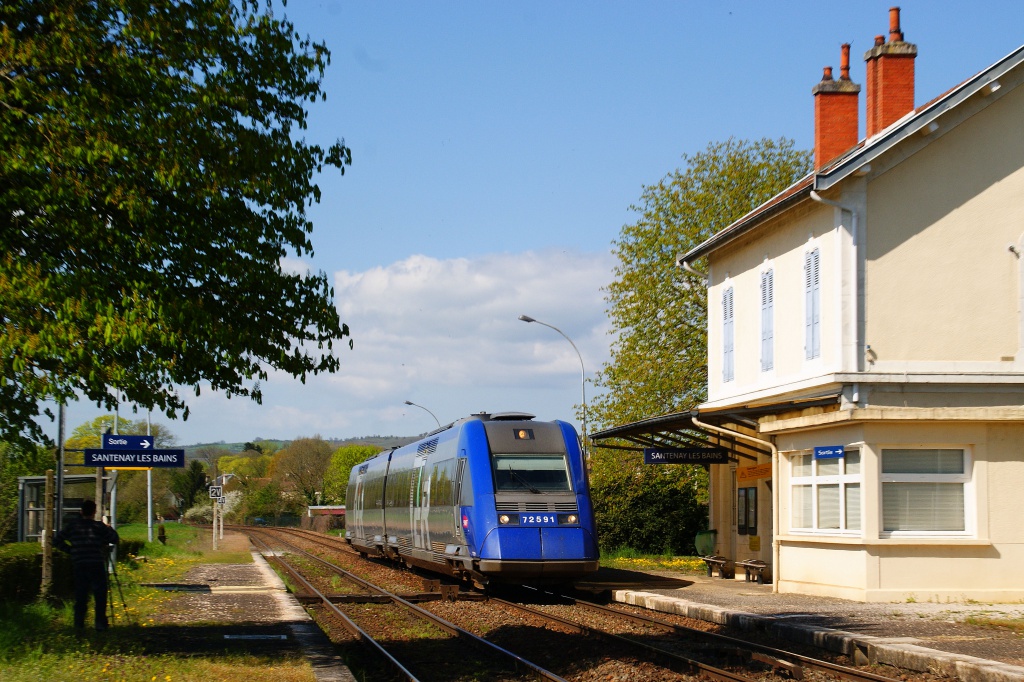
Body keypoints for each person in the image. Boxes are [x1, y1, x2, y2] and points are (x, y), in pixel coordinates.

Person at [54, 499, 119, 630]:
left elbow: (56, 541)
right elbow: (114, 539)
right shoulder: (99, 527)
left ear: (81, 511)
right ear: (94, 512)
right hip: (96, 563)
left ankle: (79, 625)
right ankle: (100, 624)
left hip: (79, 564)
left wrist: (71, 551)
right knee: (100, 595)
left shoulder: (73, 526)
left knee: (81, 595)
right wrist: (108, 527)